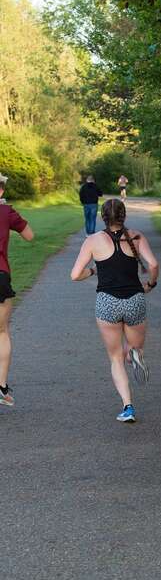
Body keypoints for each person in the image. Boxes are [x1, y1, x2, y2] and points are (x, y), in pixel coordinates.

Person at [71, 198, 159, 423]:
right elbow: (154, 265)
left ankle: (128, 407)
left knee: (114, 358)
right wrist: (150, 284)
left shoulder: (92, 240)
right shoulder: (137, 237)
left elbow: (74, 275)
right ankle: (134, 353)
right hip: (135, 299)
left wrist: (93, 271)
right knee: (134, 346)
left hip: (107, 302)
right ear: (124, 216)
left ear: (103, 217)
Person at [0, 174, 34, 407]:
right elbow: (30, 236)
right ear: (1, 190)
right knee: (1, 331)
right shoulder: (6, 212)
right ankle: (1, 386)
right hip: (0, 274)